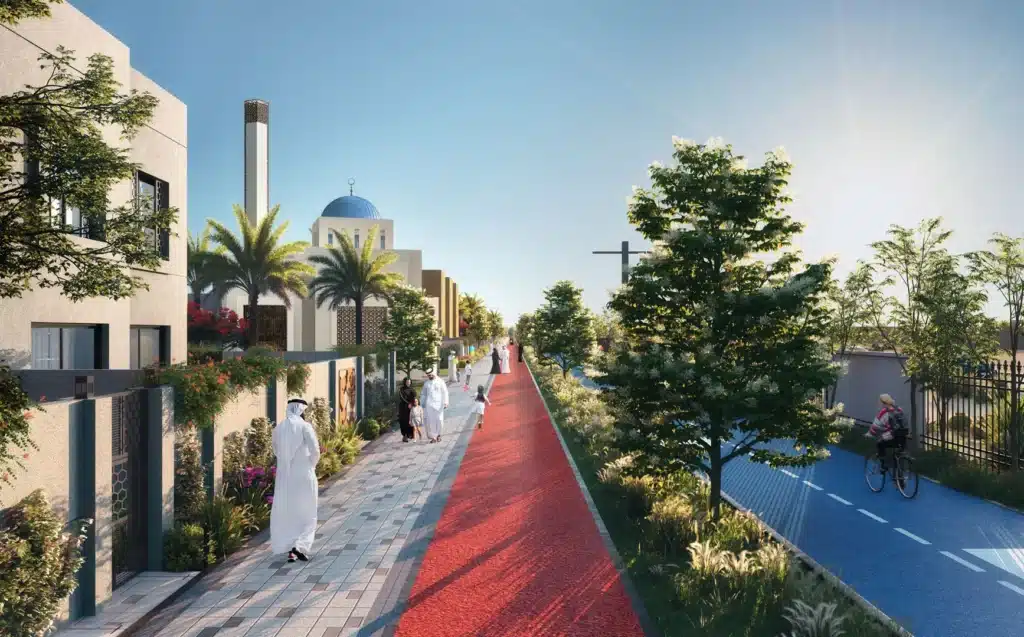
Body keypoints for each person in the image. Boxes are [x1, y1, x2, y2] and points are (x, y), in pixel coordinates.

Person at [270, 398, 321, 563]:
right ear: (301, 410)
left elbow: (277, 452)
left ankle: (291, 548)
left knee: (290, 513)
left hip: (286, 478)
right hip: (304, 474)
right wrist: (310, 466)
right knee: (308, 512)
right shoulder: (305, 427)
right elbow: (315, 451)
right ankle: (300, 546)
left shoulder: (278, 429)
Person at [865, 393, 907, 471]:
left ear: (883, 402)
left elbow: (876, 426)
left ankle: (884, 465)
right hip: (903, 435)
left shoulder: (884, 412)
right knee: (899, 453)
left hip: (892, 436)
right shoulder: (899, 409)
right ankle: (900, 476)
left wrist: (870, 433)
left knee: (880, 443)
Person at [420, 367, 449, 443]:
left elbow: (445, 392)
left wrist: (446, 402)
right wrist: (422, 403)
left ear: (433, 373)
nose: (430, 376)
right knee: (431, 421)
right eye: (428, 375)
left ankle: (439, 434)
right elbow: (423, 394)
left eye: (430, 375)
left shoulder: (440, 381)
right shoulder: (426, 384)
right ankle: (434, 437)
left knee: (439, 420)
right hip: (429, 405)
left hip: (439, 404)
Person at [397, 378, 416, 442]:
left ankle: (410, 434)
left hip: (411, 407)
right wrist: (408, 403)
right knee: (404, 421)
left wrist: (412, 404)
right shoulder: (401, 389)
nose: (408, 383)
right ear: (404, 382)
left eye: (409, 382)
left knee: (410, 420)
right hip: (403, 408)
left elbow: (415, 397)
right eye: (407, 382)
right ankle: (404, 436)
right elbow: (402, 397)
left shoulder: (412, 389)